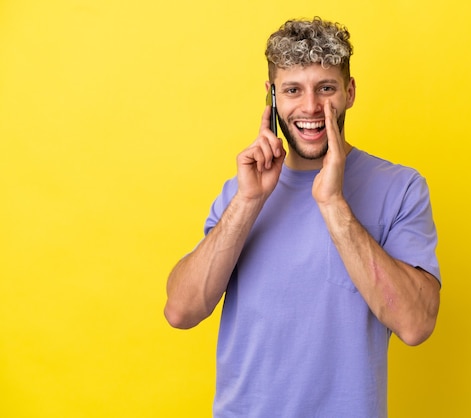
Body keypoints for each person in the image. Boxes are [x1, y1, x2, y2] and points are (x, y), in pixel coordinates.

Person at [164, 16, 441, 418]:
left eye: (325, 88)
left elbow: (416, 325)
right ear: (272, 96)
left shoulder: (401, 188)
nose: (310, 107)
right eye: (293, 90)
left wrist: (333, 205)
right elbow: (181, 311)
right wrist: (247, 202)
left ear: (349, 92)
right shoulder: (240, 192)